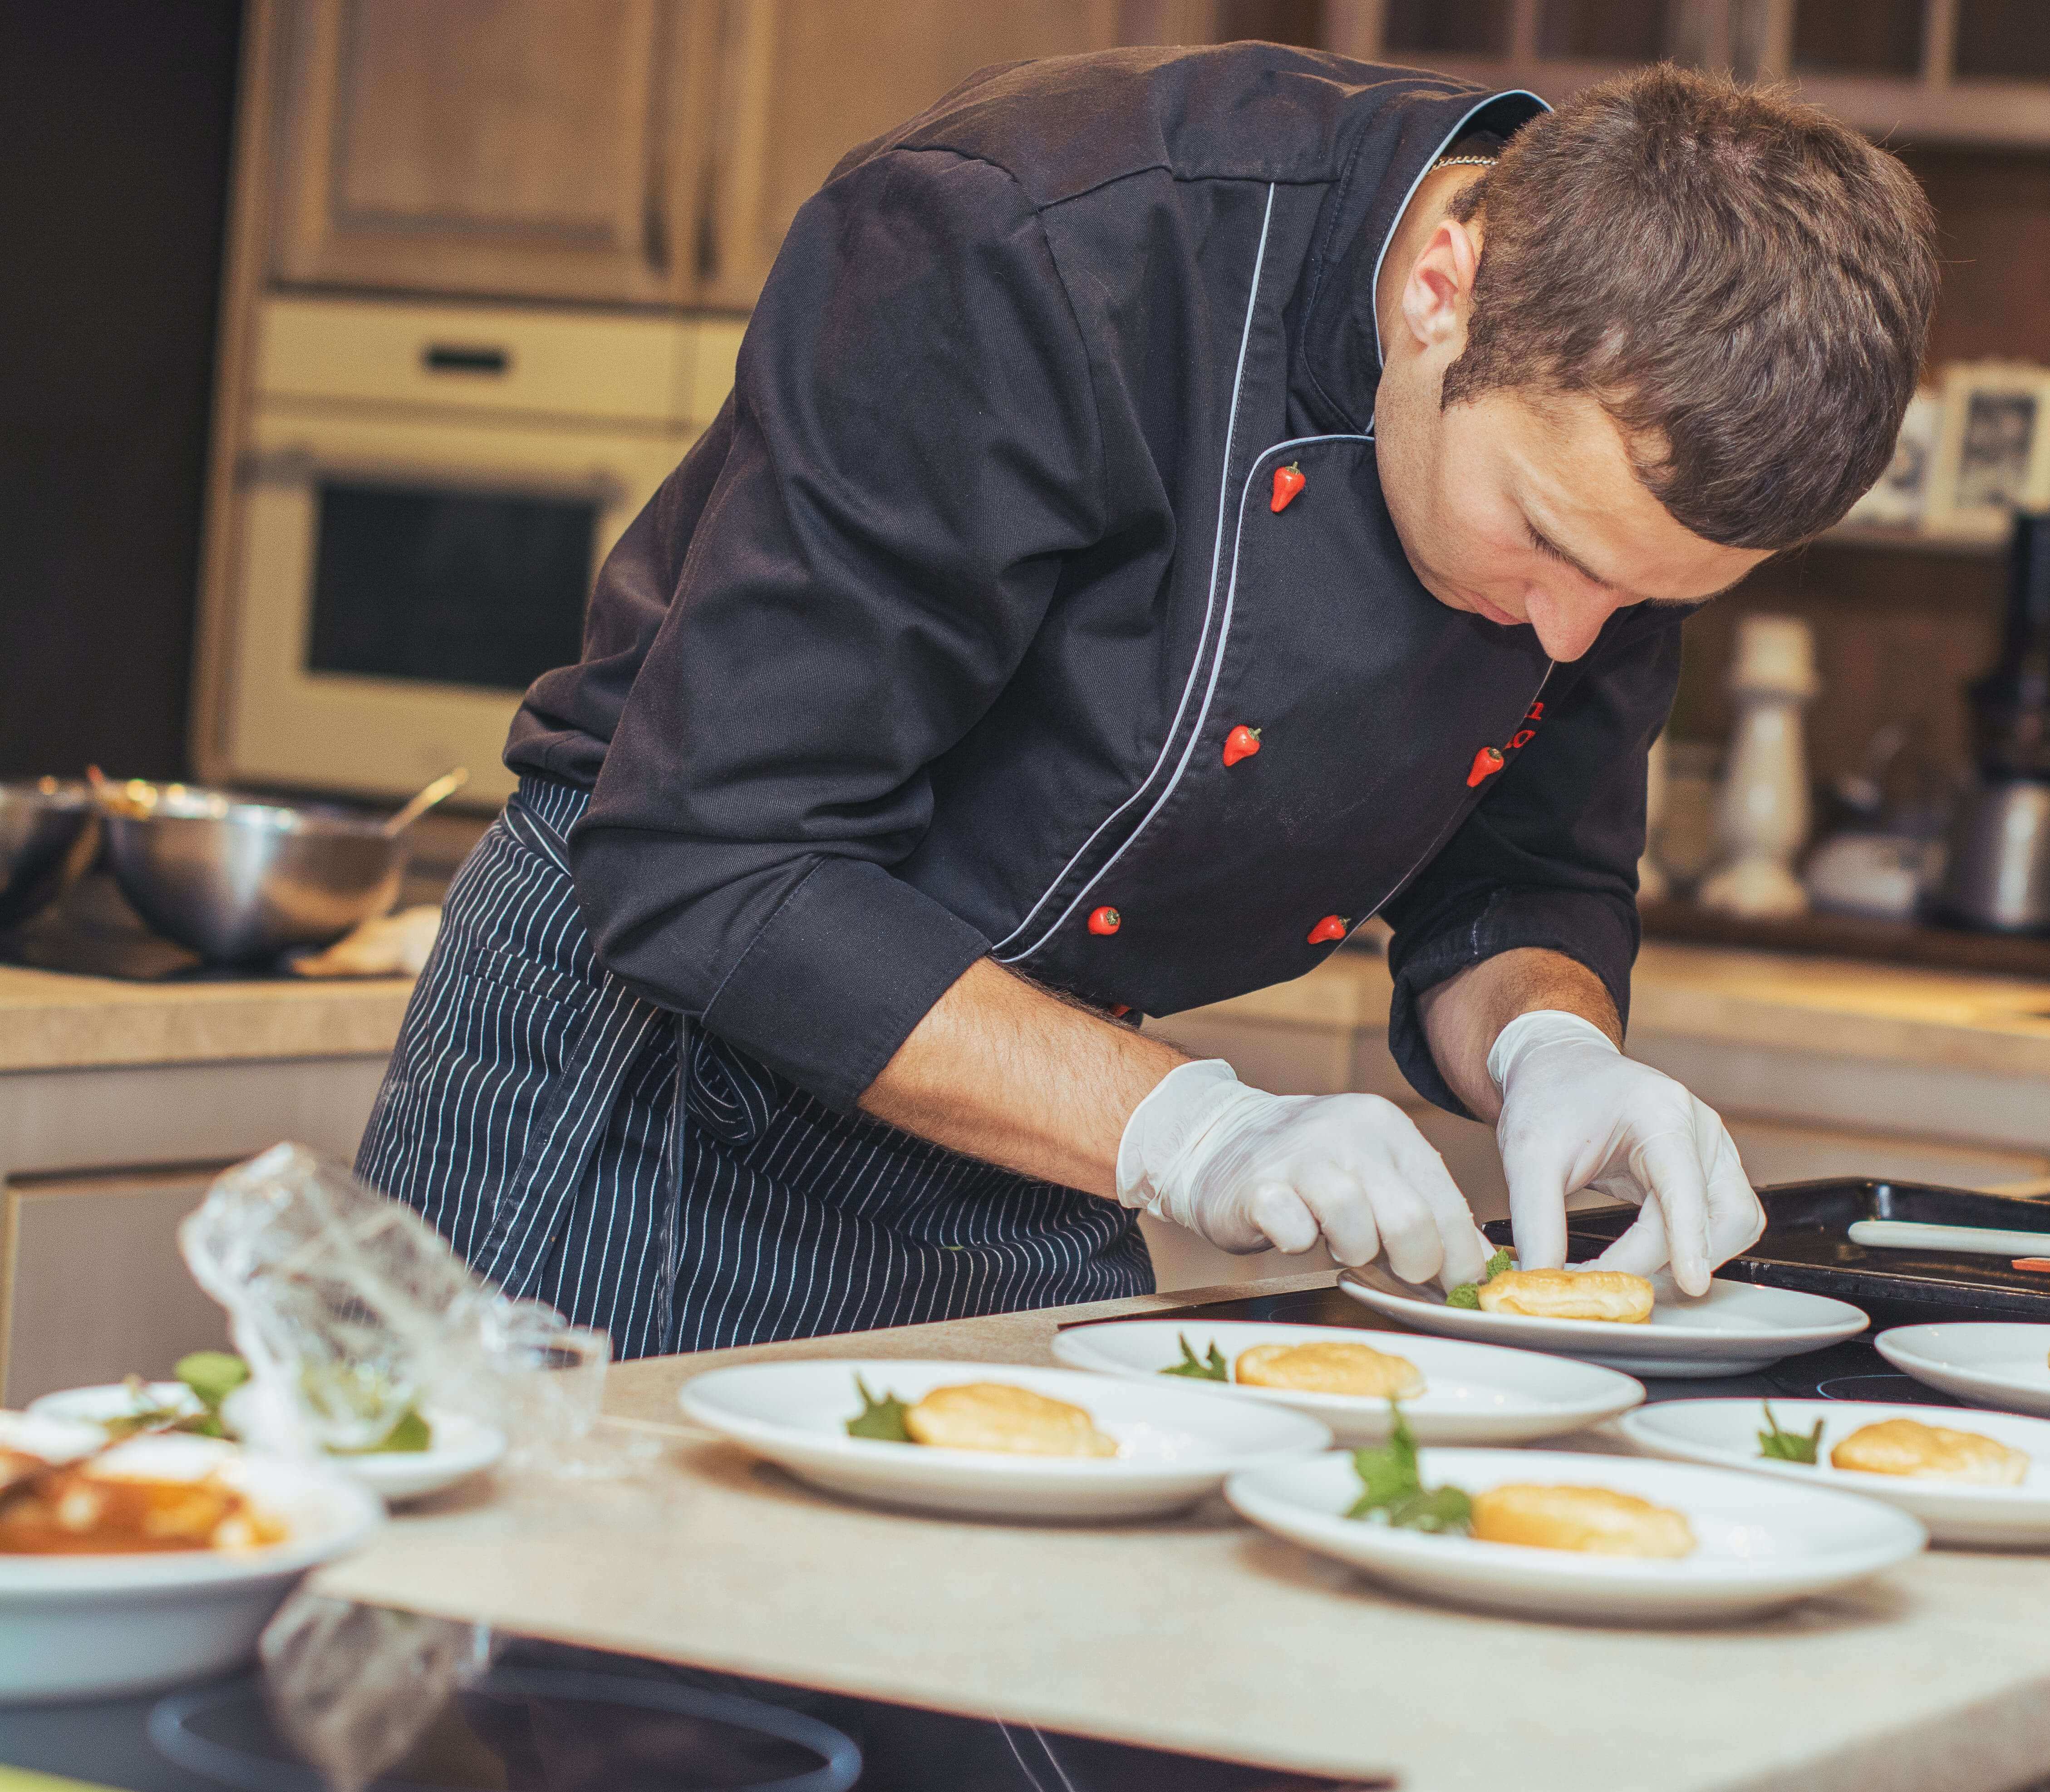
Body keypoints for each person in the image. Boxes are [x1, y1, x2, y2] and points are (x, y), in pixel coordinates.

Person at [357, 43, 1940, 1360]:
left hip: (1037, 1123)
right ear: (1443, 292)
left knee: (1002, 1692)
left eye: (1648, 606)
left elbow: (1519, 878)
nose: (1570, 633)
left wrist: (1552, 1051)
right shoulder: (1028, 246)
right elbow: (716, 865)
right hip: (655, 1098)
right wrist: (1197, 1133)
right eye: (1544, 540)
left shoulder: (1612, 474)